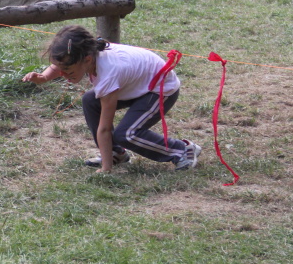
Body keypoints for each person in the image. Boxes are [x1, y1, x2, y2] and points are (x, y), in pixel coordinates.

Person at [22, 25, 201, 173]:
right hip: (137, 86)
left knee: (126, 134)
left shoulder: (108, 73)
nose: (63, 75)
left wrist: (106, 169)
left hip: (160, 89)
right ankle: (116, 153)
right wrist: (44, 77)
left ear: (87, 60)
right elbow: (58, 65)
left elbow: (105, 128)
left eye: (67, 71)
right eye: (60, 69)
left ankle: (182, 150)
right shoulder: (88, 56)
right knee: (90, 100)